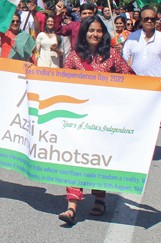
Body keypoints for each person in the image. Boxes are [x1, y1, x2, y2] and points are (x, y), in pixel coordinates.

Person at [59, 15, 134, 225]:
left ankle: (99, 198)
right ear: (84, 33)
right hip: (79, 117)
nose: (95, 34)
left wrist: (155, 87)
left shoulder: (112, 56)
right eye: (91, 30)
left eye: (99, 31)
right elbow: (62, 83)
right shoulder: (74, 57)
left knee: (98, 158)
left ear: (104, 34)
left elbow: (130, 76)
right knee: (75, 159)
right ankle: (72, 205)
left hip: (104, 119)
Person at [122, 7, 161, 134]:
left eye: (152, 19)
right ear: (141, 20)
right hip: (136, 86)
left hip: (156, 89)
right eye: (146, 18)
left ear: (156, 20)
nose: (149, 21)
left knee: (151, 124)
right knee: (135, 121)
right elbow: (123, 60)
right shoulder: (133, 37)